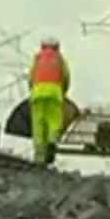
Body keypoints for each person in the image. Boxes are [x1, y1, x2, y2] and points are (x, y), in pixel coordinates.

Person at [27, 36, 71, 165]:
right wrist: (63, 92)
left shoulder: (37, 59)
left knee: (38, 124)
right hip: (55, 93)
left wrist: (32, 91)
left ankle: (39, 155)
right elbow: (66, 77)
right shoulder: (60, 60)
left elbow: (31, 77)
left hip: (38, 93)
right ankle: (52, 142)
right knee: (53, 121)